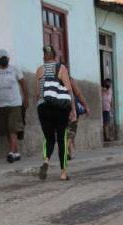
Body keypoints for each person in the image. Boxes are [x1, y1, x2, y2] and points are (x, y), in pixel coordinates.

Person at [36, 45, 75, 181]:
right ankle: (63, 172)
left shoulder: (40, 70)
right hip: (60, 108)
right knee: (62, 139)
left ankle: (46, 161)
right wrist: (73, 110)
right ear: (55, 56)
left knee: (49, 138)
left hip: (43, 107)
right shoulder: (61, 68)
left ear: (44, 56)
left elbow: (39, 94)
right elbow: (69, 90)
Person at [0, 49, 28, 163]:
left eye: (5, 57)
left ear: (8, 59)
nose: (4, 59)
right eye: (1, 58)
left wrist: (26, 99)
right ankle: (16, 152)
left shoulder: (15, 70)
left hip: (15, 103)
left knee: (12, 128)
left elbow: (23, 84)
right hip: (1, 104)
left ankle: (10, 152)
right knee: (7, 129)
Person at [66, 76, 89, 161]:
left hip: (60, 108)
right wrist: (86, 106)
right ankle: (67, 149)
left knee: (66, 131)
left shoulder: (55, 80)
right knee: (71, 131)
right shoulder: (69, 80)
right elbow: (78, 94)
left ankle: (70, 152)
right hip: (71, 109)